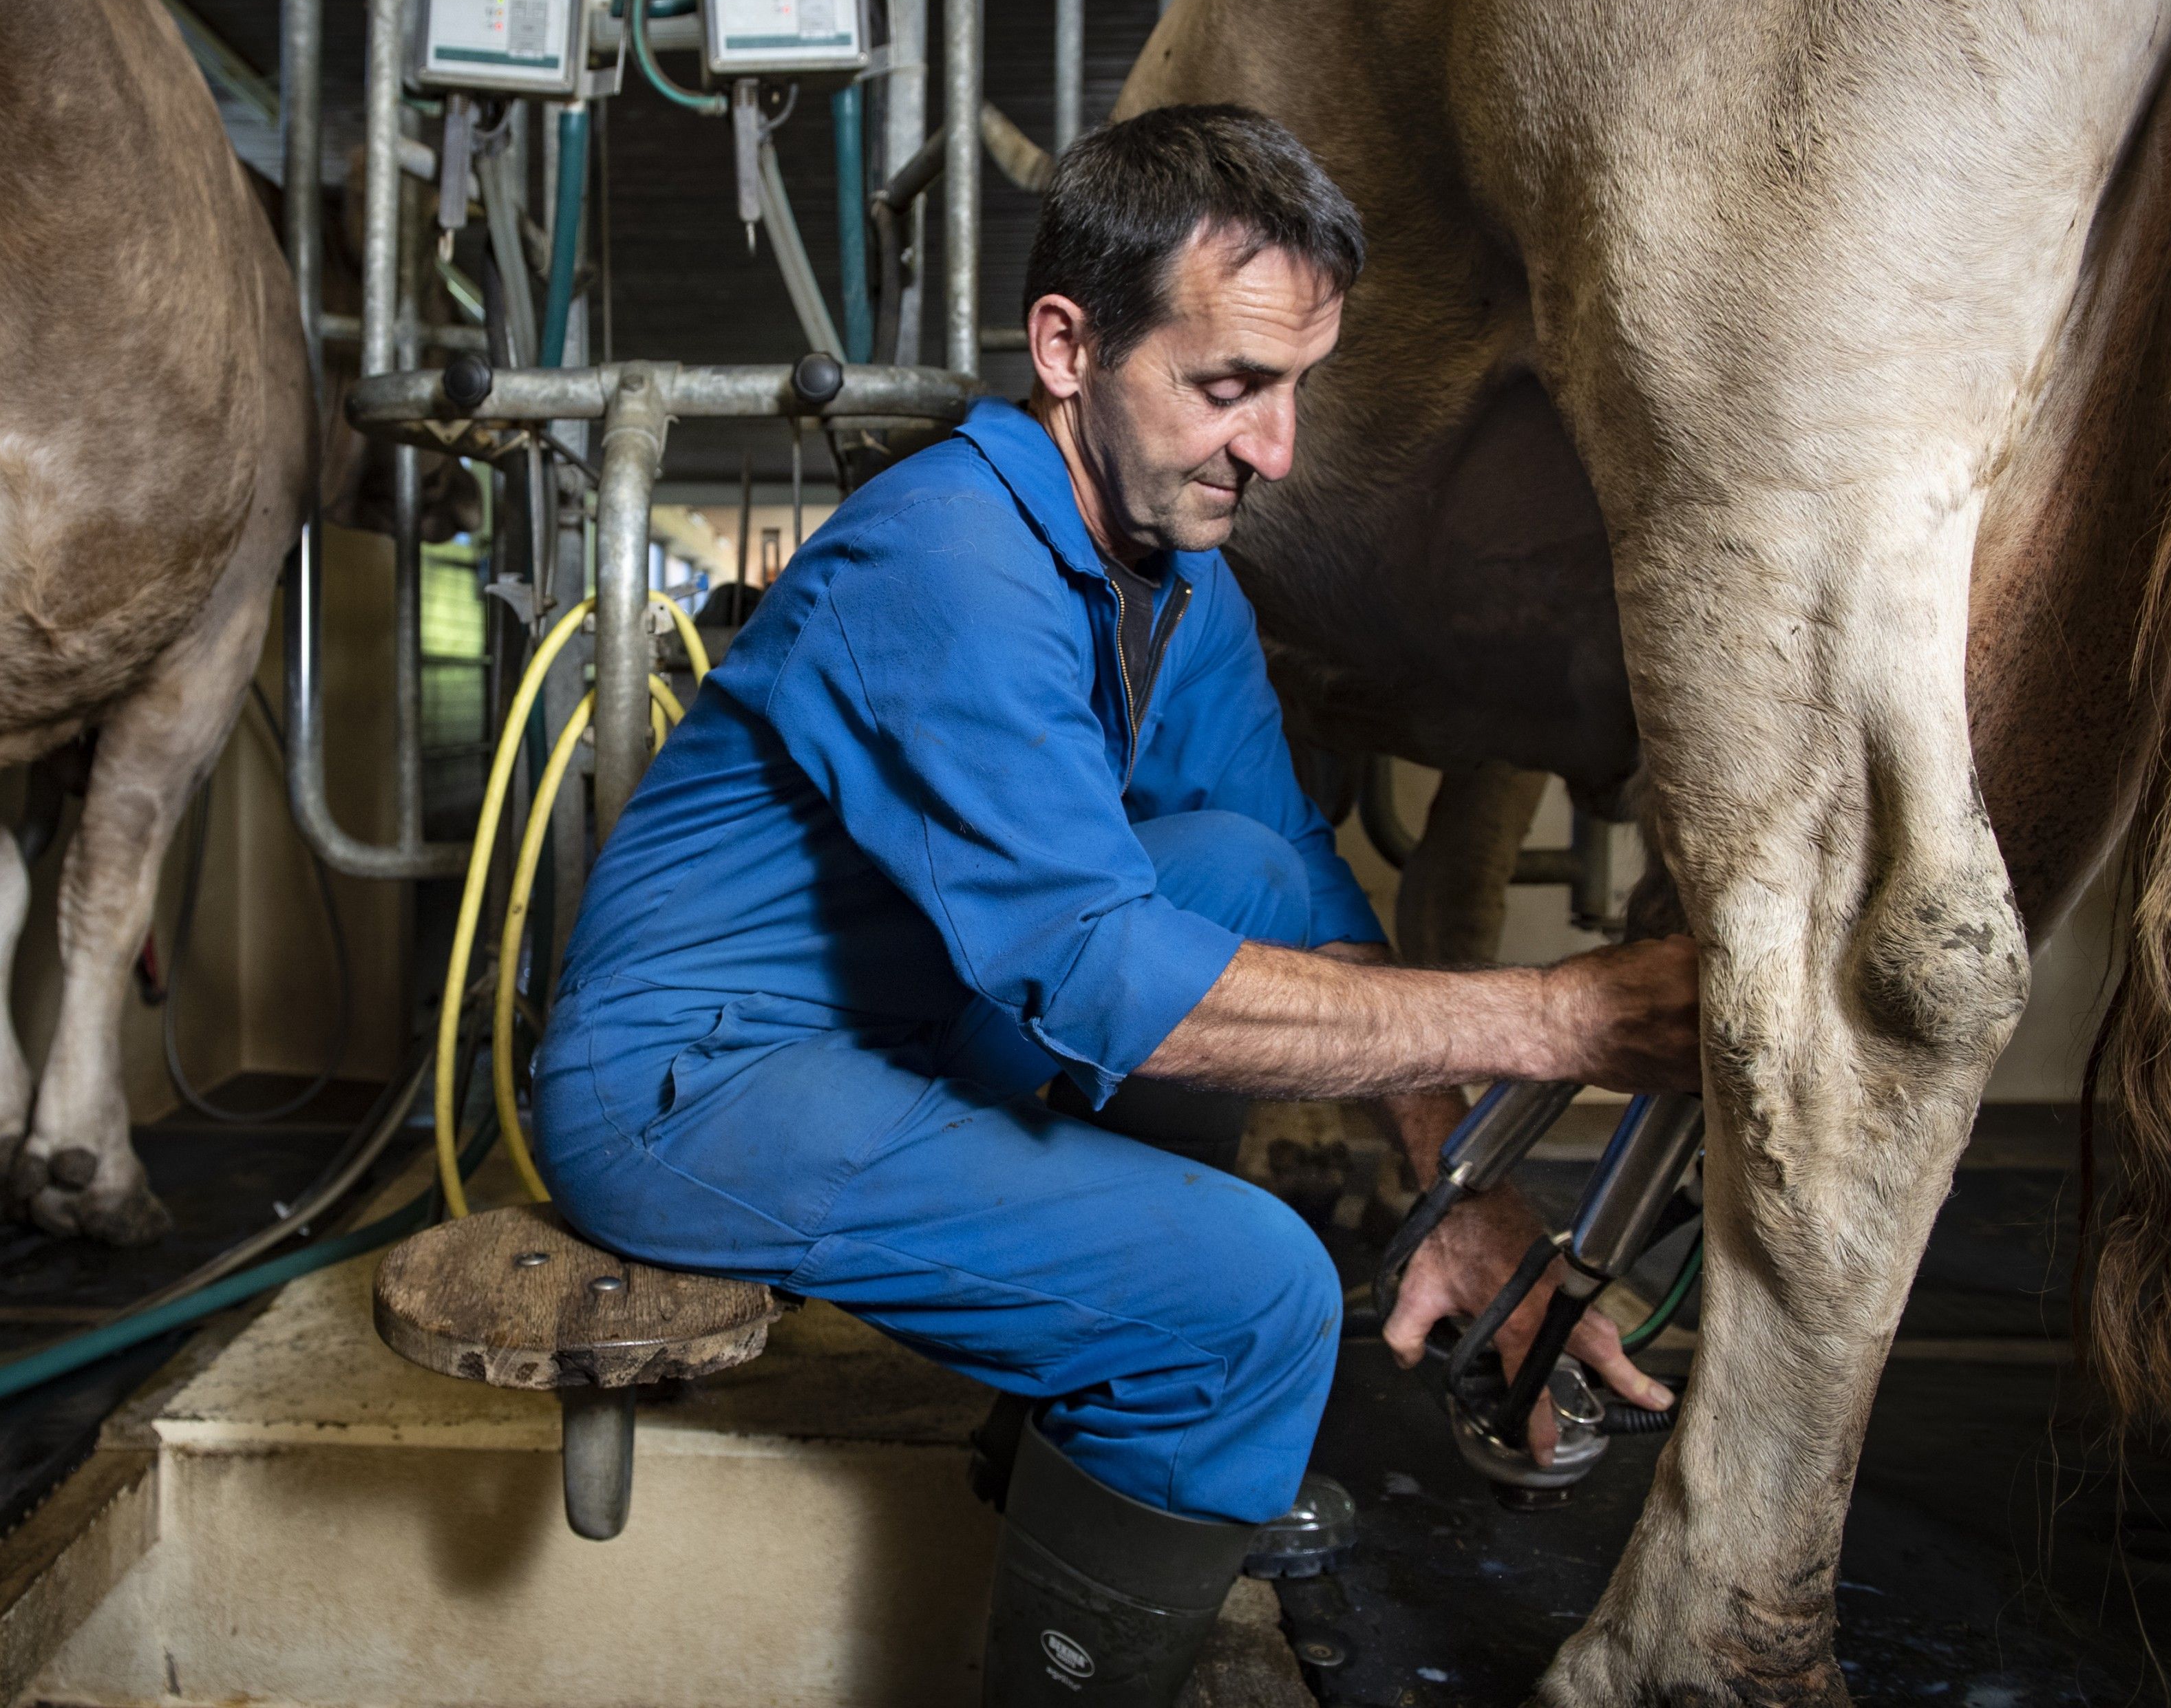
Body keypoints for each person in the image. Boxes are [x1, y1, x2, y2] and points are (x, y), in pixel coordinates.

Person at [531, 103, 1700, 1705]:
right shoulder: (946, 556)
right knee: (1255, 1301)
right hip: (695, 1086)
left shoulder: (1183, 577)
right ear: (1068, 348)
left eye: (1294, 389)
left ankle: (1082, 1420)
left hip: (908, 1033)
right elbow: (1094, 978)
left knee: (1231, 864)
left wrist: (1465, 1196)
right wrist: (1561, 1015)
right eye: (1227, 388)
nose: (1273, 450)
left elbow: (1291, 880)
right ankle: (1154, 1391)